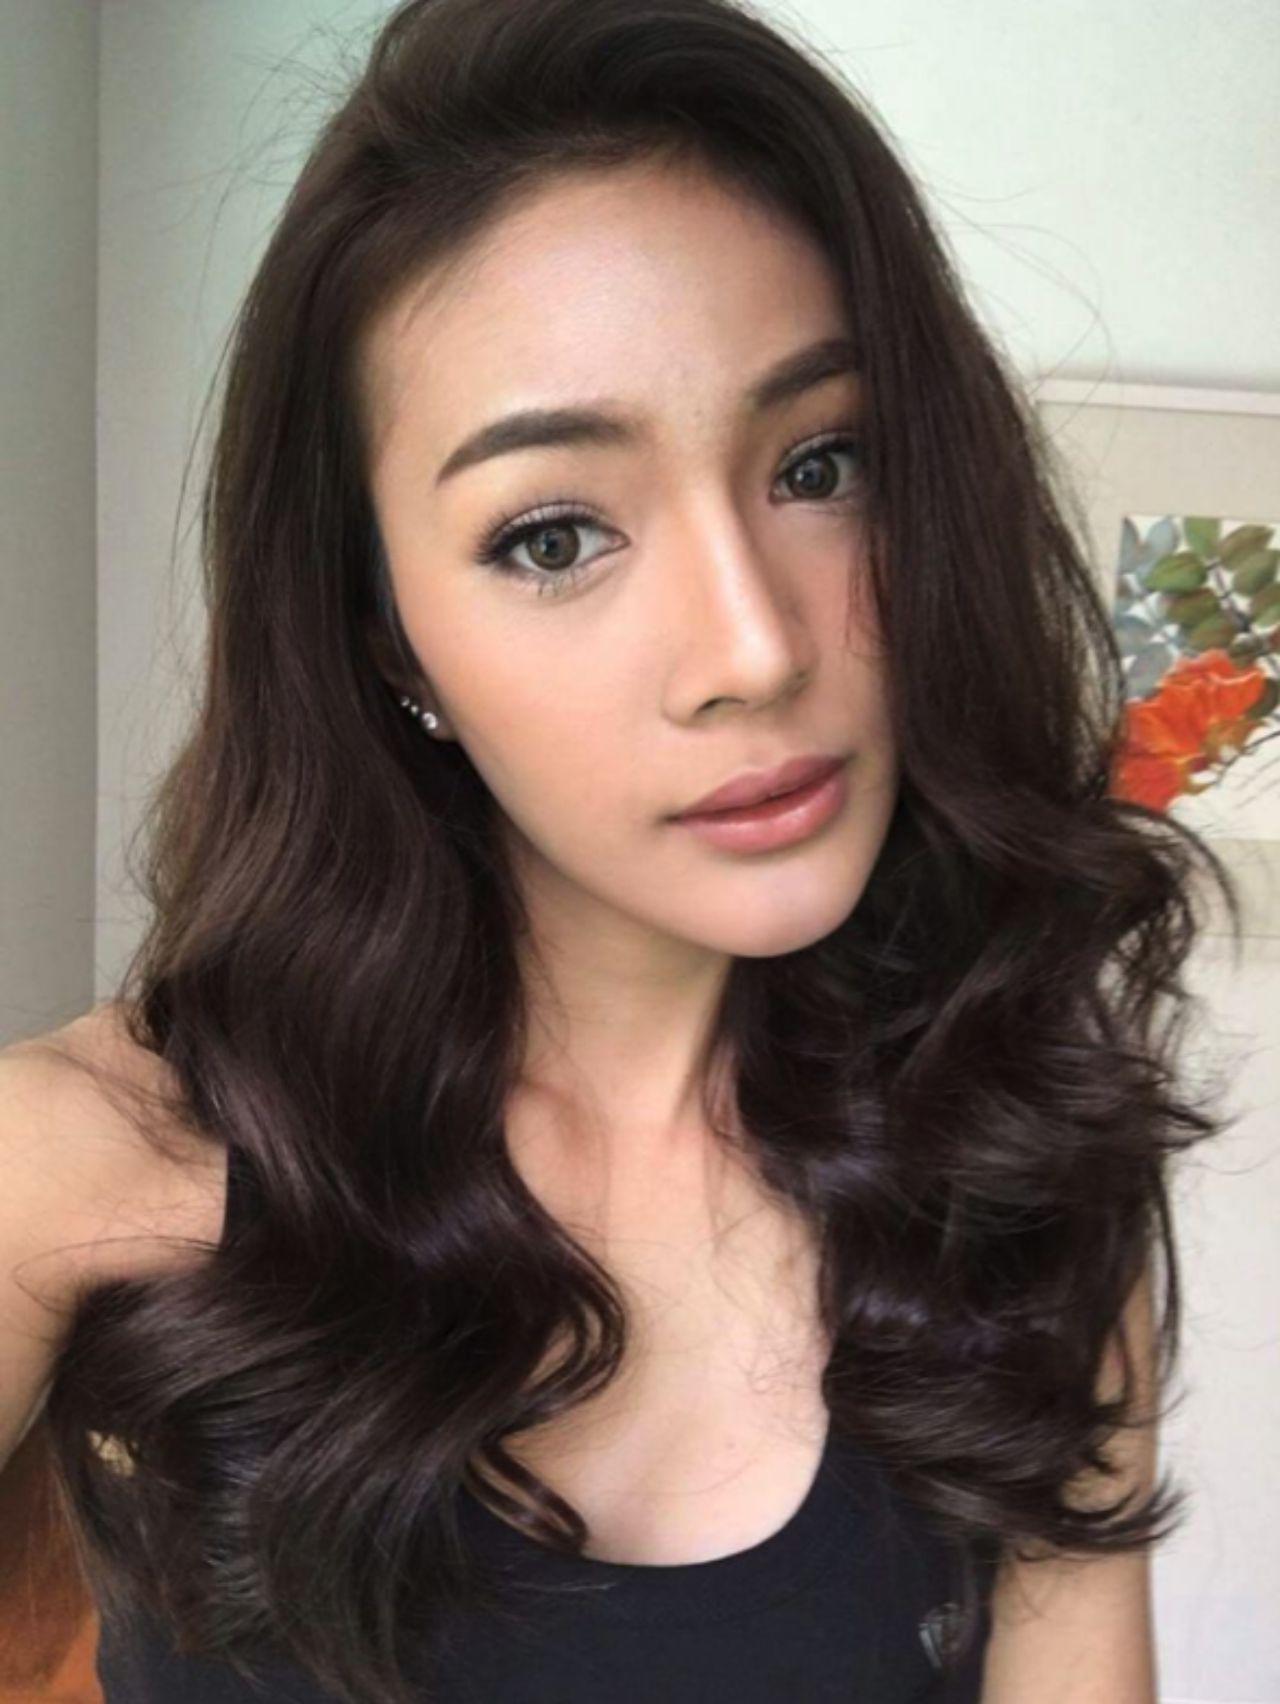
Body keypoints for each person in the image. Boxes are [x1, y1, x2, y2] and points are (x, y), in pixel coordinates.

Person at [0, 0, 1241, 1698]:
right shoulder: (73, 1162)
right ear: (386, 638)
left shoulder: (1022, 1173)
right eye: (553, 536)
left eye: (823, 463)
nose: (755, 648)